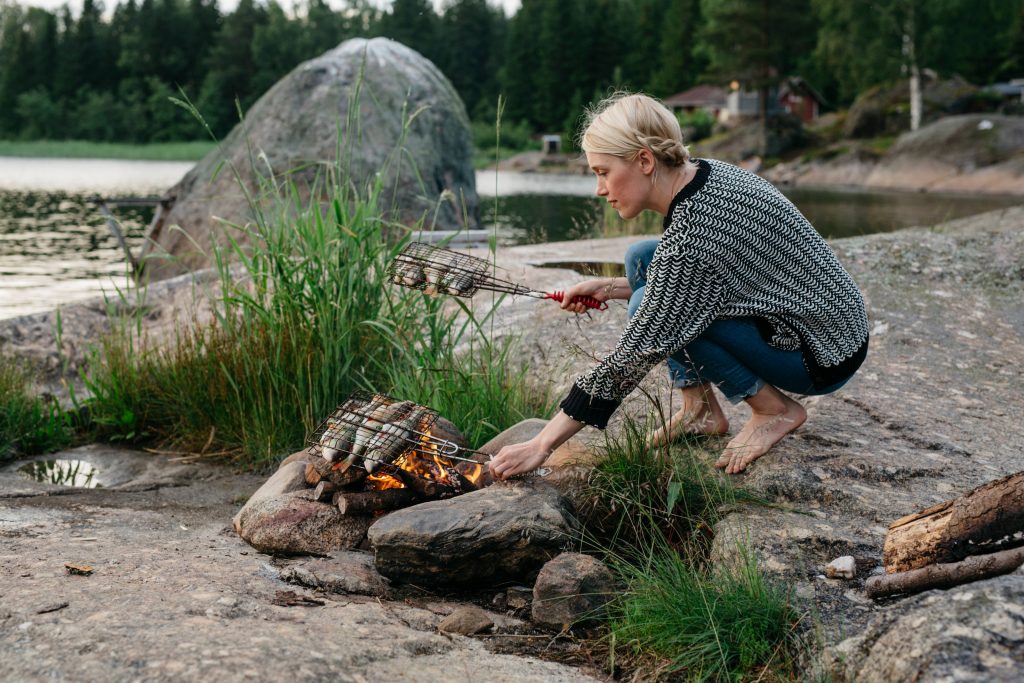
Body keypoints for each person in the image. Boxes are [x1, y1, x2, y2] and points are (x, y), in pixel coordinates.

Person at [488, 92, 869, 480]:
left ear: (644, 160)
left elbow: (633, 354)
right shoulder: (706, 173)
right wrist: (606, 289)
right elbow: (698, 281)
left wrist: (541, 444)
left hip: (819, 353)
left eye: (602, 172)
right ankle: (699, 410)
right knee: (641, 257)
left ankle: (775, 409)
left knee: (646, 310)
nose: (599, 190)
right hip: (826, 323)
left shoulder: (692, 241)